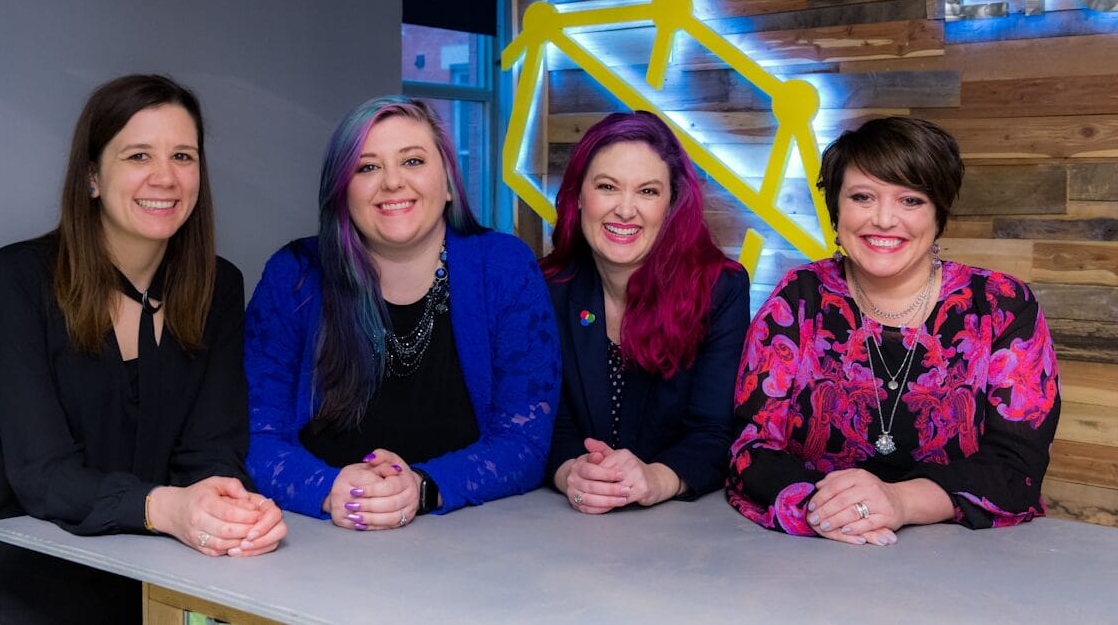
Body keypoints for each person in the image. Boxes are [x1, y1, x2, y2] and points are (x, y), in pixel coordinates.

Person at [0, 75, 285, 624]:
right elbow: (41, 473)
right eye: (138, 154)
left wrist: (226, 508)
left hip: (133, 592)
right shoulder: (15, 280)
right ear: (92, 176)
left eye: (183, 156)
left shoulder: (219, 286)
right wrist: (168, 508)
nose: (165, 177)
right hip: (2, 590)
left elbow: (212, 450)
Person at [727, 117, 1060, 545]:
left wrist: (898, 502)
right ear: (836, 210)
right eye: (862, 197)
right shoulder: (798, 298)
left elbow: (1017, 465)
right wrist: (837, 512)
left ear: (939, 212)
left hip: (964, 562)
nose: (884, 220)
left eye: (910, 200)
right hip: (813, 553)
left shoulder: (1001, 304)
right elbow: (751, 447)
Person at [244, 96, 559, 531]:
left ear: (448, 183)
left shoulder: (504, 268)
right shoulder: (293, 275)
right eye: (367, 167)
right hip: (316, 544)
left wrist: (423, 486)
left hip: (475, 547)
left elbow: (524, 443)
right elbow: (253, 435)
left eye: (413, 161)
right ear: (341, 192)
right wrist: (328, 488)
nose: (392, 182)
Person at [540, 111, 749, 513]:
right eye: (607, 187)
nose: (625, 209)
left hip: (685, 531)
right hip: (563, 530)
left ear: (672, 204)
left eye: (648, 192)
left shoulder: (721, 289)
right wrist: (571, 471)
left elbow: (714, 431)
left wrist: (656, 478)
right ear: (579, 197)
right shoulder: (547, 288)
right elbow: (545, 420)